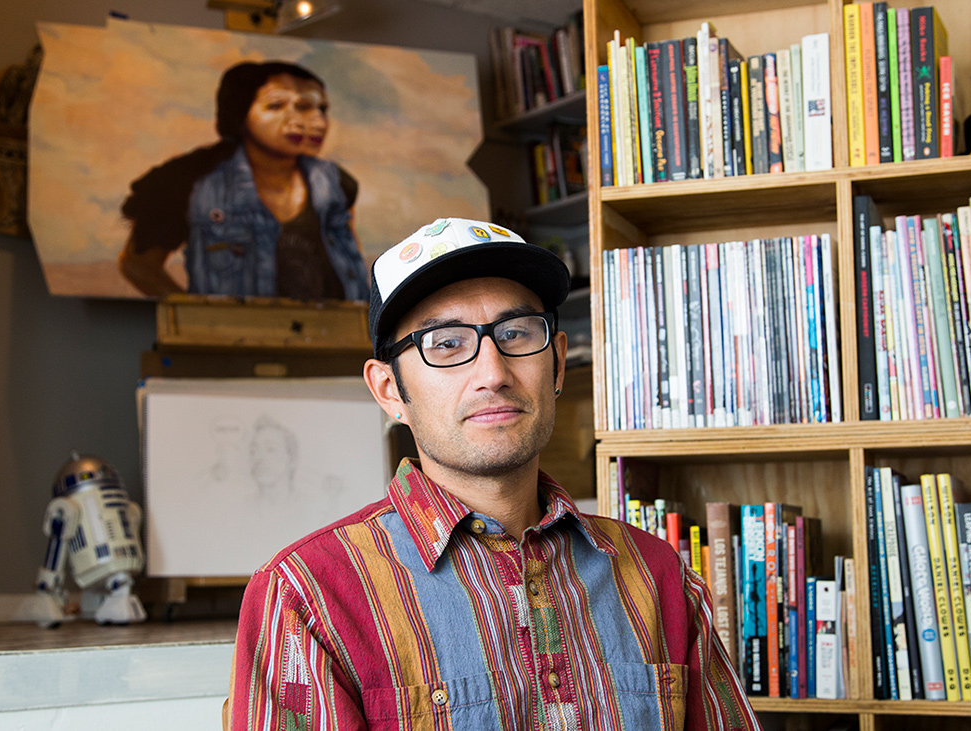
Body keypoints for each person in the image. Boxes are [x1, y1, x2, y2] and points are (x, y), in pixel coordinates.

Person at [227, 218, 760, 730]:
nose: (493, 373)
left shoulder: (658, 575)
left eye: (516, 332)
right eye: (447, 343)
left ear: (555, 363)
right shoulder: (307, 596)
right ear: (390, 390)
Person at [118, 61, 369, 302]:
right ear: (241, 112)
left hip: (335, 340)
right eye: (277, 105)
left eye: (320, 109)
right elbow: (137, 263)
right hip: (235, 342)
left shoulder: (334, 183)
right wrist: (196, 317)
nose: (315, 122)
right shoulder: (192, 180)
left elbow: (348, 263)